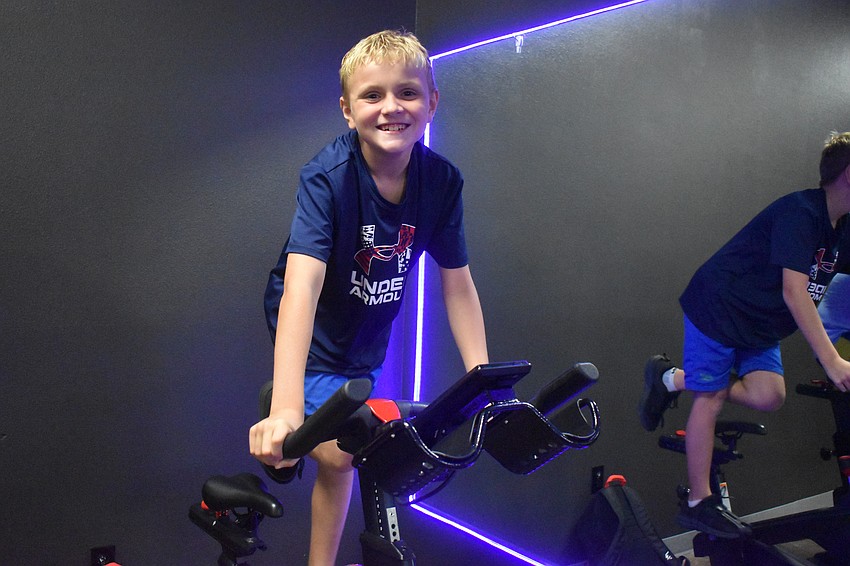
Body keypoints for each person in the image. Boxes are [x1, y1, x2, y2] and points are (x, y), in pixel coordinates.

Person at [248, 30, 489, 566]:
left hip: (365, 338)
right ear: (346, 109)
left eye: (407, 92)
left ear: (432, 103)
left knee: (353, 459)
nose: (391, 107)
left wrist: (482, 382)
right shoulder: (327, 178)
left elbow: (458, 282)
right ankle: (286, 402)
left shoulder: (442, 182)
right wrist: (288, 408)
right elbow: (301, 287)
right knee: (340, 460)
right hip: (314, 335)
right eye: (372, 95)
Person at [638, 131, 850, 538]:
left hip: (759, 323)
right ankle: (699, 503)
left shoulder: (839, 227)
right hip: (720, 306)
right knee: (712, 395)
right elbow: (795, 292)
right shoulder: (801, 214)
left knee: (770, 395)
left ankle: (673, 378)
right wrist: (832, 359)